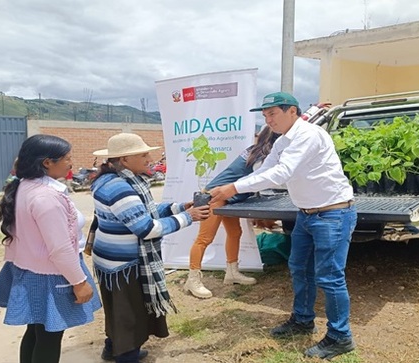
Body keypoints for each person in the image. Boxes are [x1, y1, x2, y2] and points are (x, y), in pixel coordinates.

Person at [210, 92, 358, 360]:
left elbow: (282, 173)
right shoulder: (281, 142)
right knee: (299, 268)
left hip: (333, 214)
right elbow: (264, 172)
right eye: (265, 115)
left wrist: (233, 187)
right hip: (306, 214)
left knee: (330, 277)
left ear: (293, 111)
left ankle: (340, 337)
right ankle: (302, 321)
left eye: (273, 113)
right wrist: (231, 192)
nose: (268, 120)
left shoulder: (308, 135)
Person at [90, 133, 209, 363]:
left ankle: (111, 348)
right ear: (124, 160)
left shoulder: (112, 180)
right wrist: (188, 217)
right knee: (130, 316)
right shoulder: (120, 188)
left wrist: (178, 207)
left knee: (117, 311)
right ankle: (126, 356)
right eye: (143, 154)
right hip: (124, 265)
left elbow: (144, 208)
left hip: (110, 261)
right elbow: (146, 228)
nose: (149, 157)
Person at [0, 134, 101, 363]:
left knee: (36, 331)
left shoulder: (25, 187)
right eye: (67, 158)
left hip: (31, 271)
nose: (71, 163)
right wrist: (79, 283)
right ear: (47, 162)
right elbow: (60, 248)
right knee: (49, 337)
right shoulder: (47, 197)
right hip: (53, 275)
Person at [184, 125, 280, 298]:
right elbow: (263, 178)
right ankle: (192, 280)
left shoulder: (255, 151)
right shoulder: (262, 157)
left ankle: (232, 272)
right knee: (204, 239)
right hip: (214, 196)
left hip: (227, 197)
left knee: (235, 232)